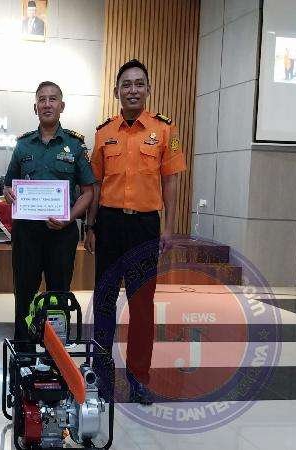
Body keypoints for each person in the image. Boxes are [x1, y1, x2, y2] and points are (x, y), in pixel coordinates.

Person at [85, 59, 186, 405]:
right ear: (116, 91)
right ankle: (101, 374)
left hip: (145, 226)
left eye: (139, 84)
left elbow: (171, 182)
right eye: (126, 84)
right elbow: (95, 185)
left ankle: (139, 378)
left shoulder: (164, 130)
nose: (132, 90)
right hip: (110, 224)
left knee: (142, 305)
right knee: (104, 301)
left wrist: (168, 228)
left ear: (148, 89)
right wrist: (91, 225)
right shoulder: (104, 132)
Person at [3, 81, 95, 350]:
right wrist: (9, 194)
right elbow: (8, 186)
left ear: (62, 106)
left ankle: (56, 355)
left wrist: (69, 218)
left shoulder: (75, 146)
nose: (47, 104)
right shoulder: (23, 146)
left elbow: (88, 192)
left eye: (52, 99)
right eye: (42, 100)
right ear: (35, 107)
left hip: (62, 234)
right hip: (27, 234)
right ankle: (23, 353)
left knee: (58, 295)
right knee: (24, 294)